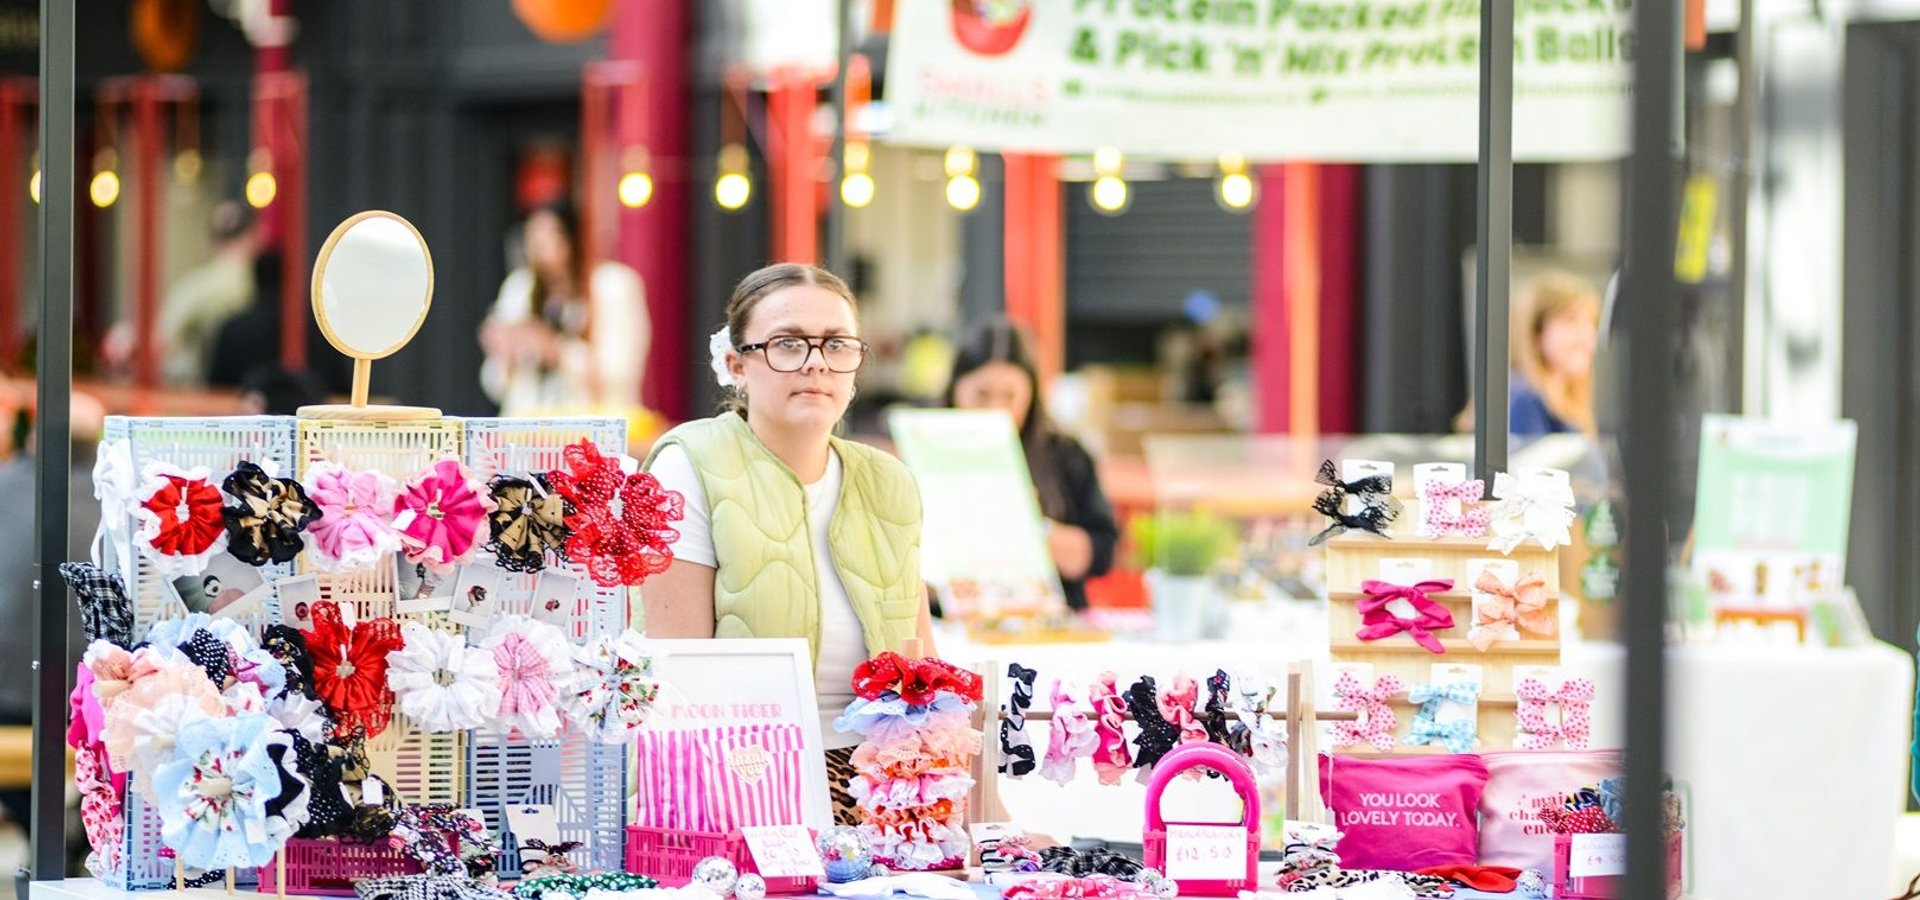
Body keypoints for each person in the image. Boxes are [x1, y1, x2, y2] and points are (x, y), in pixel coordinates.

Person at [640, 263, 932, 825]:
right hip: (739, 787)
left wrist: (980, 821)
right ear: (736, 364)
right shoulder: (689, 466)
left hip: (884, 793)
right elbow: (674, 682)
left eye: (837, 344)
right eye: (788, 344)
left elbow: (926, 666)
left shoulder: (888, 480)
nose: (817, 362)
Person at [945, 318, 1118, 613]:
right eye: (981, 395)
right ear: (955, 390)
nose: (994, 410)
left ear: (1031, 396)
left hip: (1047, 623)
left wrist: (1029, 524)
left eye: (1009, 397)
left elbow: (1100, 551)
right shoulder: (925, 450)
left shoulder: (1066, 455)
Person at [479, 202, 649, 416]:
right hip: (527, 428)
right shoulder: (519, 288)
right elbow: (496, 385)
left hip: (592, 426)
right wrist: (505, 353)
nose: (538, 246)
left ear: (572, 238)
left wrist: (556, 350)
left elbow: (619, 373)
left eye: (548, 235)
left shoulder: (612, 286)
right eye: (532, 237)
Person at [153, 202, 261, 386]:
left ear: (213, 242)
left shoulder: (194, 286)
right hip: (260, 392)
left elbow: (162, 342)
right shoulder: (265, 283)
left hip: (211, 395)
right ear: (255, 236)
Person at [1509, 272, 1601, 436]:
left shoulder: (1561, 401)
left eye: (1591, 322)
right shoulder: (1522, 399)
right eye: (1571, 321)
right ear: (1535, 333)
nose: (1587, 335)